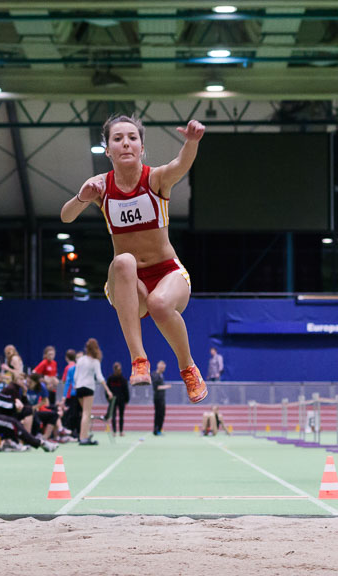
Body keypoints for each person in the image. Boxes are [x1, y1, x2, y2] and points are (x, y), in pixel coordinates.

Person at [60, 115, 208, 403]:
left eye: (132, 138)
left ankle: (188, 366)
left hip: (168, 273)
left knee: (159, 303)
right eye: (117, 139)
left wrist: (191, 142)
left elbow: (181, 165)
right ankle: (138, 359)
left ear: (141, 147)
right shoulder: (101, 186)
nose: (125, 143)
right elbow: (66, 217)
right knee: (124, 260)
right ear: (108, 150)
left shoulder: (155, 179)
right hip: (128, 283)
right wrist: (82, 197)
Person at [75, 338, 113, 446]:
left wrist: (76, 386)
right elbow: (100, 377)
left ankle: (85, 435)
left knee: (85, 413)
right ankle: (83, 438)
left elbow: (76, 375)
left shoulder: (80, 359)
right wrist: (108, 390)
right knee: (86, 413)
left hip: (79, 387)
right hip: (88, 387)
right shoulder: (95, 362)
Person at [105, 362, 130, 436]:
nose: (119, 371)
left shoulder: (123, 379)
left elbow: (126, 390)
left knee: (121, 416)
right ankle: (114, 431)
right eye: (117, 369)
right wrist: (108, 398)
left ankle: (121, 431)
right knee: (113, 415)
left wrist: (126, 400)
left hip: (121, 400)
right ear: (114, 369)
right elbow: (107, 389)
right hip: (113, 400)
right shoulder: (110, 379)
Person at [152, 360, 171, 436]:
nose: (164, 369)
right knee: (158, 414)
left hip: (162, 398)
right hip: (158, 398)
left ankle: (159, 429)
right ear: (159, 367)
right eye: (163, 368)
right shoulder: (155, 375)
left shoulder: (161, 375)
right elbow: (156, 387)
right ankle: (156, 430)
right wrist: (166, 386)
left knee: (162, 414)